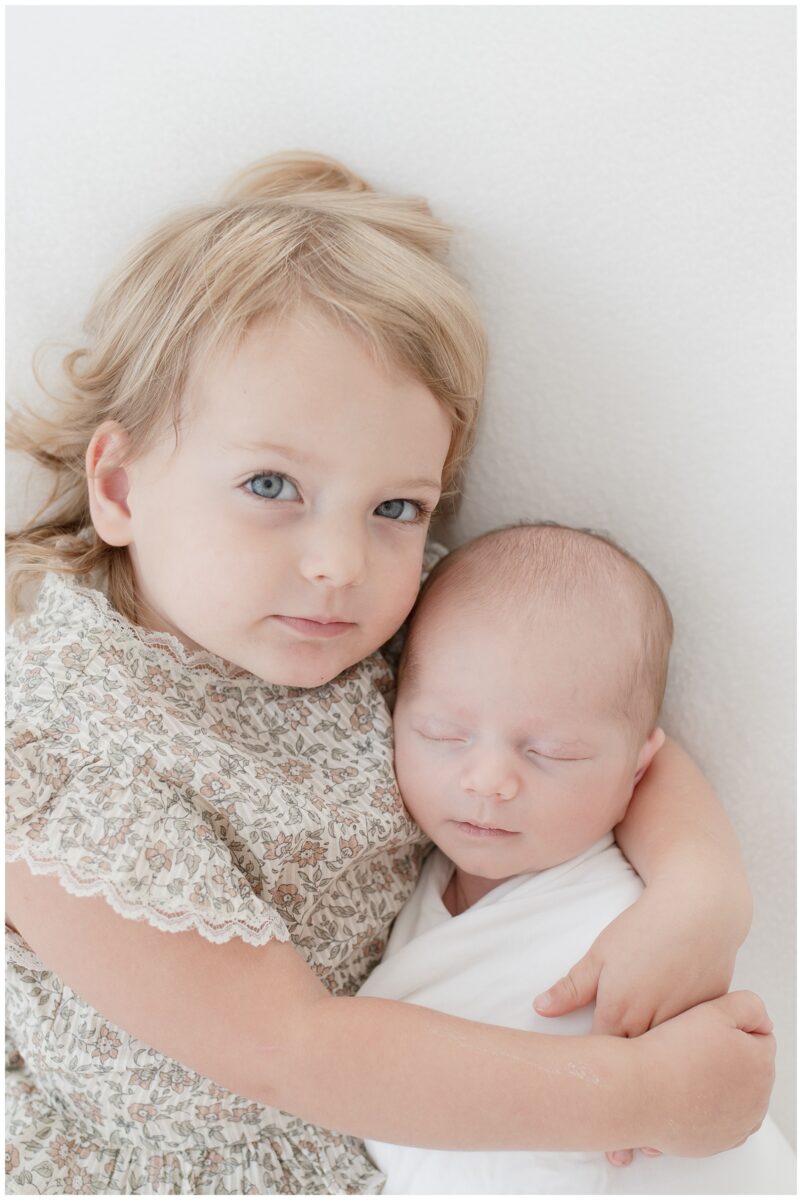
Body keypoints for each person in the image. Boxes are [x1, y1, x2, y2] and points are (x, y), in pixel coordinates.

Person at [5, 153, 774, 1195]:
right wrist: (644, 1096)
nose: (338, 564)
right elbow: (291, 1045)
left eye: (395, 508)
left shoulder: (383, 614)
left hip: (401, 1098)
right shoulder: (59, 757)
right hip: (197, 1151)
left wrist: (701, 893)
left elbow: (598, 720)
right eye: (271, 485)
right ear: (120, 484)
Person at [359, 523, 792, 1194]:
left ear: (638, 770)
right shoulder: (411, 881)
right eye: (443, 735)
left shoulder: (637, 926)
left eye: (550, 753)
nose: (488, 781)